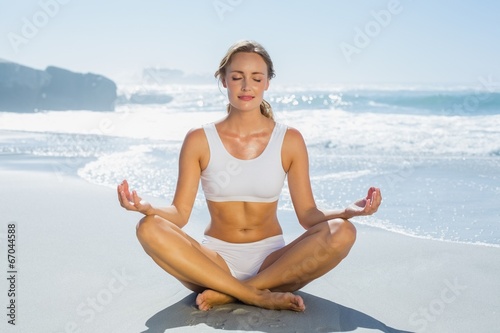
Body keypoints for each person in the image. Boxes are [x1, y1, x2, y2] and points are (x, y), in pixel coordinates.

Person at [117, 40, 382, 312]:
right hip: (214, 261)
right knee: (148, 227)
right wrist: (148, 209)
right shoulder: (199, 139)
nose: (247, 87)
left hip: (274, 261)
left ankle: (232, 292)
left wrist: (346, 211)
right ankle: (256, 294)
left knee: (343, 231)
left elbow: (308, 216)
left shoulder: (289, 139)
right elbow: (180, 214)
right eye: (237, 77)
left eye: (257, 78)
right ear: (223, 80)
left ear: (267, 83)